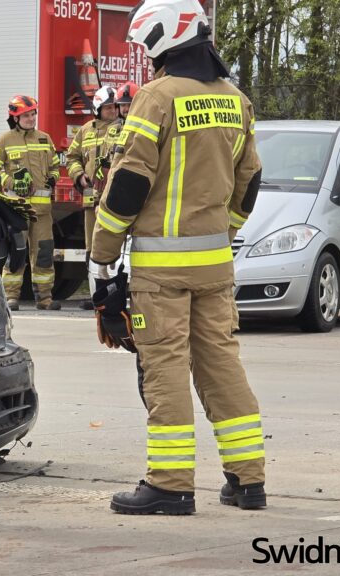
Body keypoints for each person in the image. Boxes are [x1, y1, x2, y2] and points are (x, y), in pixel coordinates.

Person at [91, 0, 266, 515]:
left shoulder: (158, 97)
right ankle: (248, 481)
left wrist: (101, 257)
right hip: (215, 266)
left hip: (161, 272)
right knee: (222, 367)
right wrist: (221, 232)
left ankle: (170, 484)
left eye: (149, 46)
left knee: (164, 369)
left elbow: (128, 183)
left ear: (167, 38)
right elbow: (249, 182)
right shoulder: (236, 99)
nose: (148, 57)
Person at [0, 96, 62, 311]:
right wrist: (10, 182)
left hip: (42, 211)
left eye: (33, 114)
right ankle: (10, 297)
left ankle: (45, 298)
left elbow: (55, 167)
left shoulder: (44, 139)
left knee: (44, 253)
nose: (31, 118)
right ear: (15, 117)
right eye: (26, 115)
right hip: (16, 209)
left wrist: (53, 178)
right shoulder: (4, 140)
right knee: (16, 253)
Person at [66, 86, 120, 310]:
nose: (113, 111)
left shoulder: (122, 128)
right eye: (108, 108)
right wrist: (78, 175)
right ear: (98, 109)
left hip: (113, 200)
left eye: (115, 107)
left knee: (114, 246)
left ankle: (116, 291)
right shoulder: (86, 130)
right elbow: (72, 158)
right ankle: (96, 293)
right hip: (91, 200)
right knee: (93, 248)